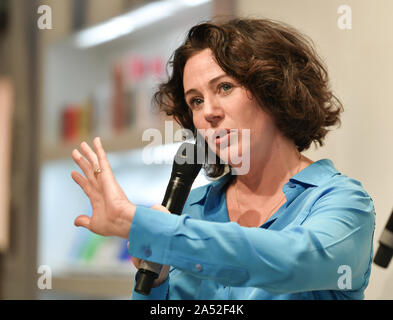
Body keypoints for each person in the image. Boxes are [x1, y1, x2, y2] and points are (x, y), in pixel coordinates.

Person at [70, 18, 375, 300]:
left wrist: (139, 224)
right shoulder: (192, 210)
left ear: (274, 89)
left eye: (225, 87)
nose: (208, 112)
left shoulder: (344, 204)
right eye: (196, 100)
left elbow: (292, 260)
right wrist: (158, 284)